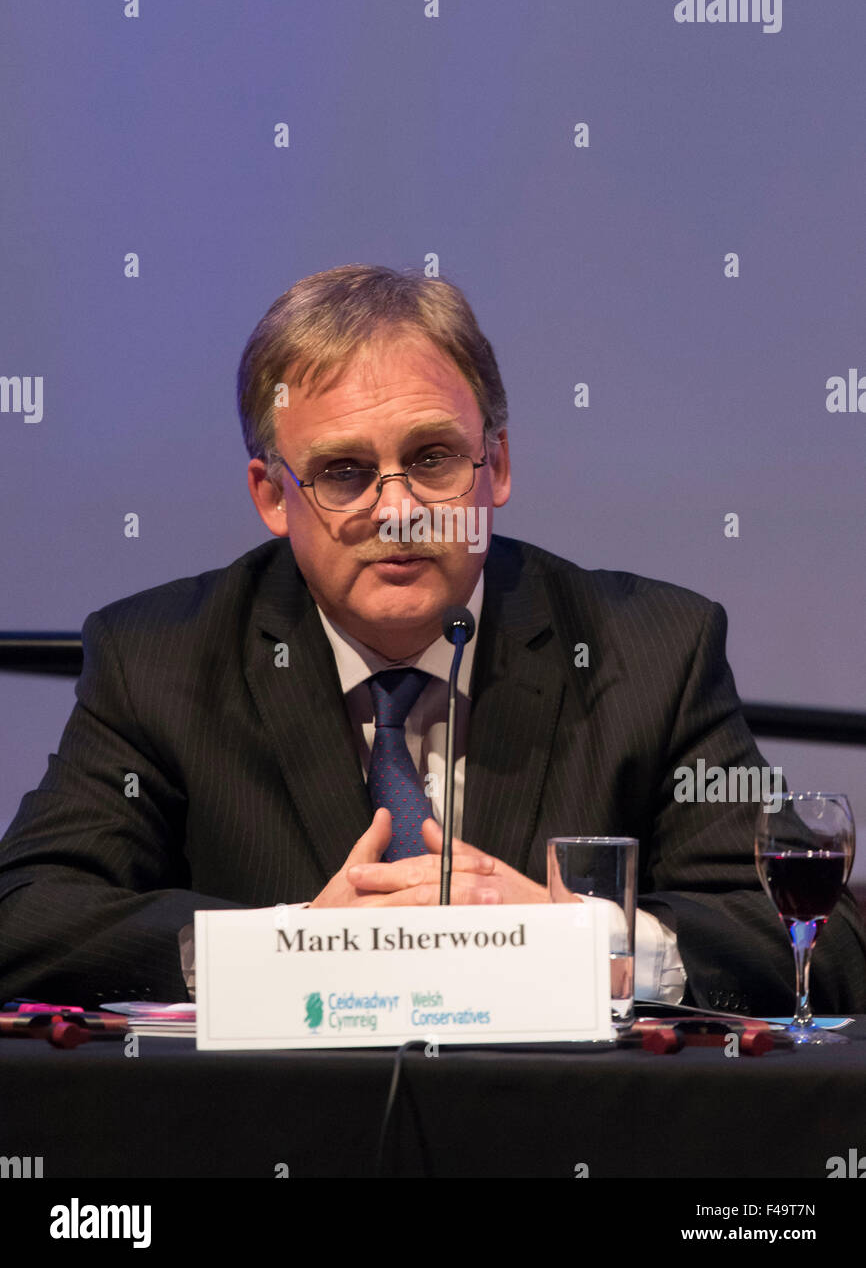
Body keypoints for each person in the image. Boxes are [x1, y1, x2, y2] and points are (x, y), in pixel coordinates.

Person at [0, 264, 864, 1015]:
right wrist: (285, 949)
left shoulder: (652, 652)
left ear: (497, 466)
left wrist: (588, 942)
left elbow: (820, 945)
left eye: (432, 457)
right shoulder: (160, 661)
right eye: (343, 472)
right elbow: (25, 918)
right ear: (271, 495)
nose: (401, 508)